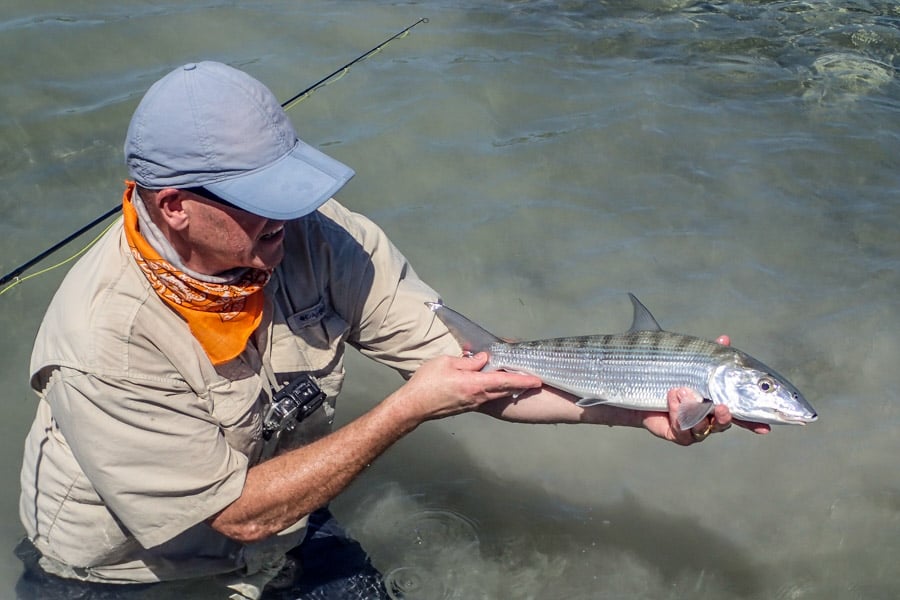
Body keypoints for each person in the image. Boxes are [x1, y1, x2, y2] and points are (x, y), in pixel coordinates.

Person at [16, 61, 767, 599]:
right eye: (259, 200)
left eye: (290, 186)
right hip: (128, 576)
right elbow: (234, 514)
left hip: (286, 524)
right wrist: (405, 409)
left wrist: (638, 411)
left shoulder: (321, 239)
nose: (287, 218)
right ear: (175, 206)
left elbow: (476, 374)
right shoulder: (102, 343)